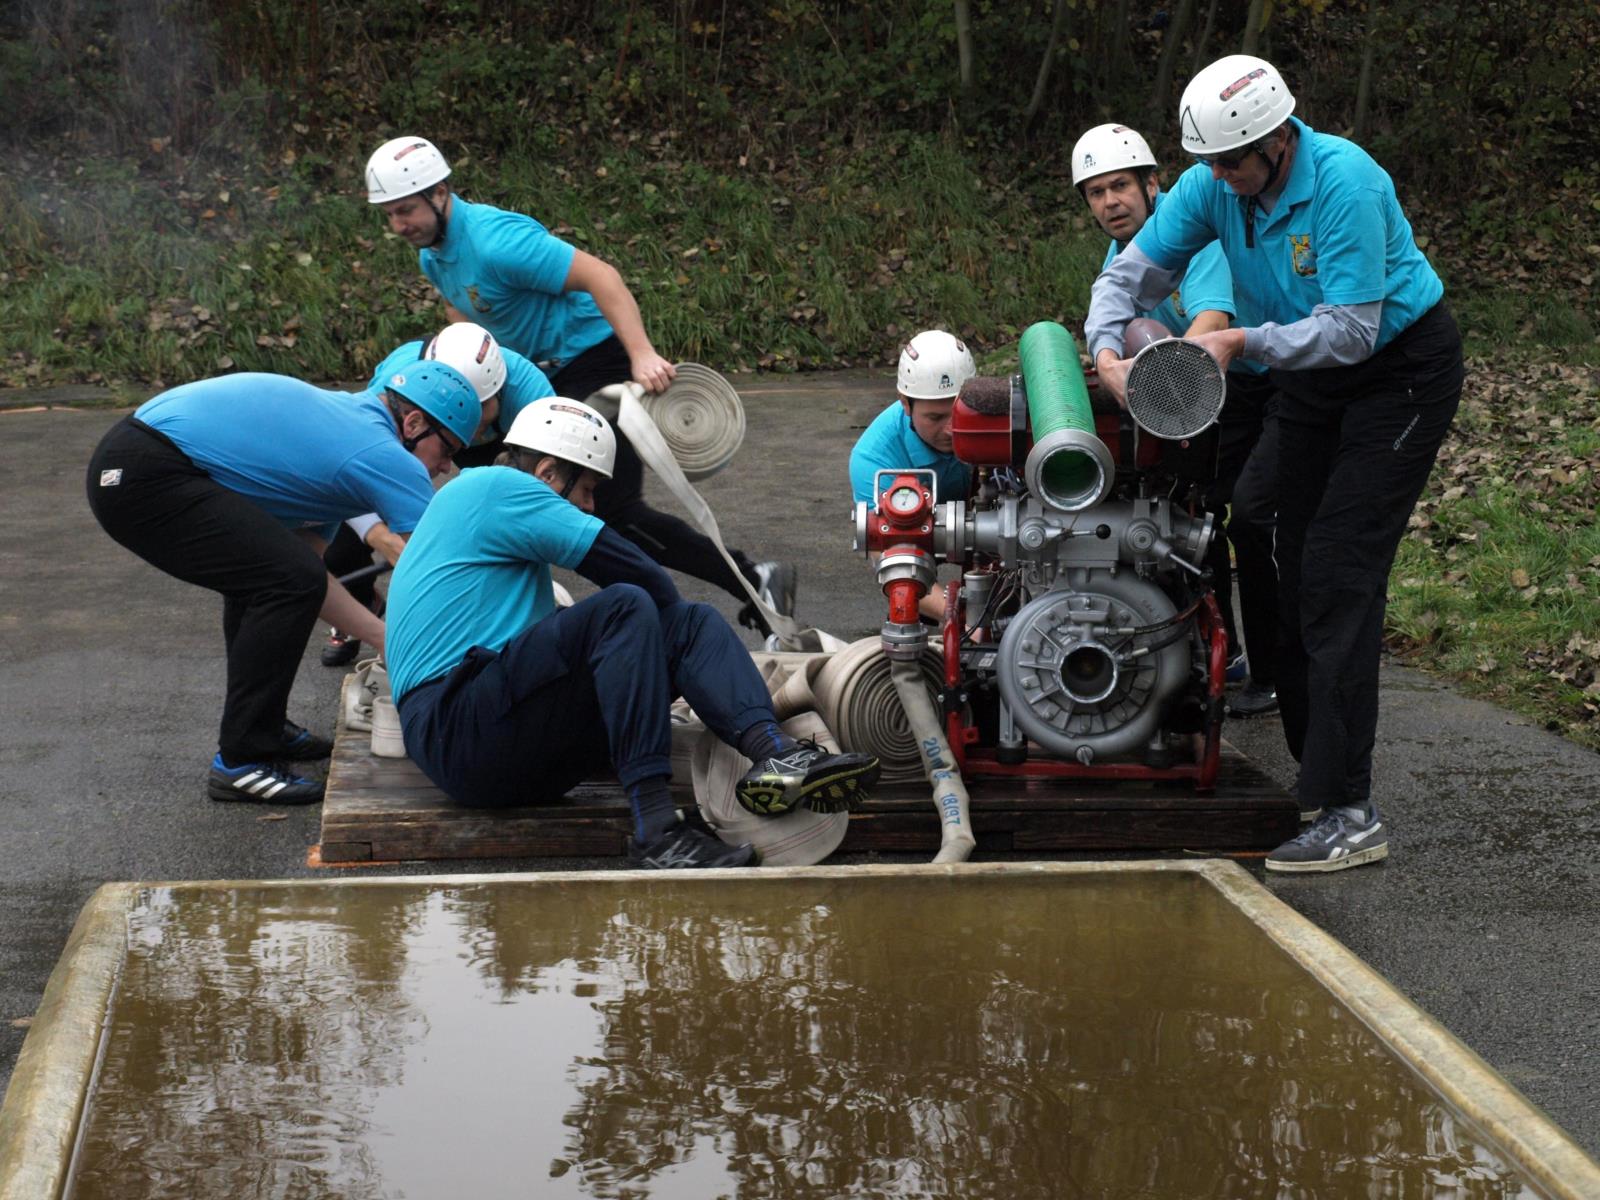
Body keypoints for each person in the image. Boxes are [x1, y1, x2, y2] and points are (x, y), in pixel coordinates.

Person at [1085, 55, 1463, 872]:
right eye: (1208, 163)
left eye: (1233, 161)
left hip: (1396, 375)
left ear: (1279, 138)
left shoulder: (1345, 183)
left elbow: (1354, 331)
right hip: (1310, 380)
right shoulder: (1212, 184)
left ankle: (1351, 807)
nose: (1219, 177)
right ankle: (1314, 769)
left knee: (1334, 569)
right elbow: (1134, 271)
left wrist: (1238, 341)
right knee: (1255, 519)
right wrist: (1106, 346)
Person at [383, 397, 882, 870]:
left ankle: (776, 754)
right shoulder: (492, 487)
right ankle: (658, 831)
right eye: (587, 490)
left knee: (692, 622)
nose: (592, 505)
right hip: (455, 731)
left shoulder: (486, 514)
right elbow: (646, 580)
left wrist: (669, 658)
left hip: (493, 740)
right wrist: (678, 669)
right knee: (627, 607)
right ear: (547, 474)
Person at [364, 135, 796, 637]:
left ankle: (748, 582)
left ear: (439, 192)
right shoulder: (432, 254)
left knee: (606, 509)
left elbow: (601, 276)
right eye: (390, 215)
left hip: (594, 360)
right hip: (526, 377)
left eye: (405, 211)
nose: (398, 226)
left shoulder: (496, 241)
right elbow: (462, 311)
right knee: (498, 494)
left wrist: (641, 354)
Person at [87, 366, 481, 804]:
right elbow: (445, 571)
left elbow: (310, 582)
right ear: (413, 424)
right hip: (145, 472)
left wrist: (381, 636)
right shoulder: (382, 455)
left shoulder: (339, 450)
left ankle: (263, 726)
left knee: (270, 579)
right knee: (281, 580)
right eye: (448, 450)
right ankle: (242, 760)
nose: (447, 467)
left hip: (136, 459)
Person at [1071, 121, 1279, 718]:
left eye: (1120, 187)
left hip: (1253, 385)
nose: (1110, 202)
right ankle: (1220, 649)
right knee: (1187, 513)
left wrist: (1166, 384)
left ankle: (1270, 670)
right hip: (1196, 391)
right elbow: (1108, 319)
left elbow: (1211, 317)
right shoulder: (1122, 255)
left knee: (1251, 518)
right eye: (1095, 192)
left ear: (1151, 183)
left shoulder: (1195, 233)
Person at [319, 322, 557, 666]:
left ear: (500, 392)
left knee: (503, 521)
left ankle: (500, 614)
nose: (465, 416)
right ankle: (361, 606)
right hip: (422, 433)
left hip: (493, 443)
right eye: (455, 405)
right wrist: (381, 537)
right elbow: (352, 460)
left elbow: (552, 477)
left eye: (476, 406)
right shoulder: (397, 379)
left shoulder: (529, 389)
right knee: (340, 551)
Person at [849, 330, 977, 621]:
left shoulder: (995, 420)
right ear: (905, 403)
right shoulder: (873, 459)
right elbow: (893, 563)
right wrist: (962, 617)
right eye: (935, 418)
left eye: (959, 413)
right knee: (907, 603)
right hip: (916, 546)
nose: (951, 430)